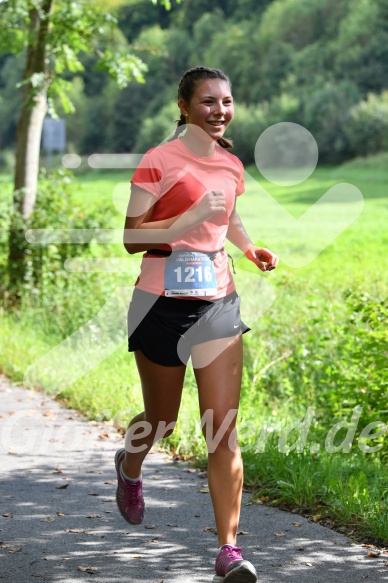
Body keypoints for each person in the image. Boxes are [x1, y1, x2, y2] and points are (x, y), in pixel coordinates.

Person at [115, 66, 279, 582]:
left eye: (226, 101)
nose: (220, 110)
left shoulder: (231, 163)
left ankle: (228, 550)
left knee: (223, 431)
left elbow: (227, 217)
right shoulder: (158, 161)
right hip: (159, 305)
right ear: (184, 106)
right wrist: (183, 223)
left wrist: (248, 248)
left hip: (217, 304)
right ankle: (130, 464)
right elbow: (131, 237)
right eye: (208, 101)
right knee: (161, 420)